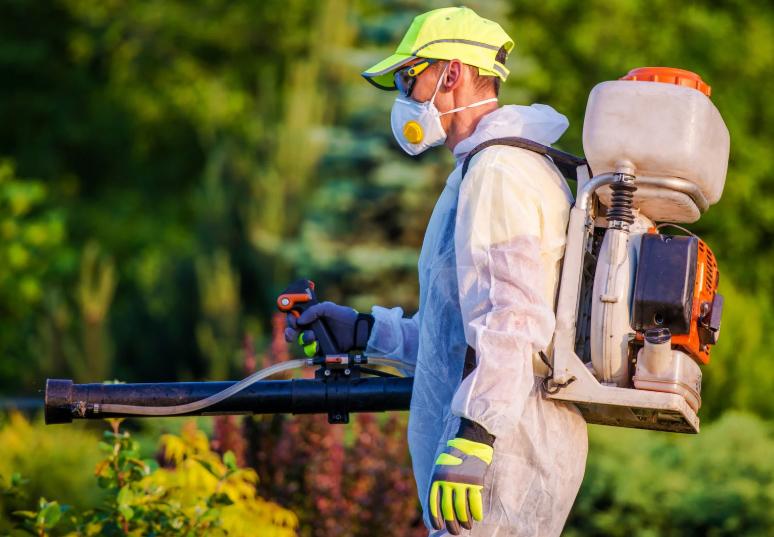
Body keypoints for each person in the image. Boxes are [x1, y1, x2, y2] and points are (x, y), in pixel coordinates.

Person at [285, 7, 588, 536]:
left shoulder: (499, 171)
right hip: (493, 458)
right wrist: (364, 332)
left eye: (409, 77)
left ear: (451, 74)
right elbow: (455, 338)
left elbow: (514, 320)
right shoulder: (484, 167)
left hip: (501, 463)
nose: (404, 94)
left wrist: (475, 437)